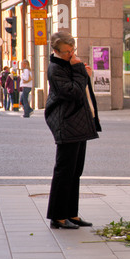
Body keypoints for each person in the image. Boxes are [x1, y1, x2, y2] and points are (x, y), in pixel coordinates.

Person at [45, 31, 102, 230]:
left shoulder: (68, 64)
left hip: (78, 123)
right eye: (68, 52)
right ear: (56, 51)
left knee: (75, 171)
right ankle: (58, 217)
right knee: (64, 171)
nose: (72, 54)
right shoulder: (55, 68)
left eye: (73, 50)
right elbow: (74, 92)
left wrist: (83, 73)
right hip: (67, 123)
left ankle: (71, 214)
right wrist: (80, 71)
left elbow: (81, 89)